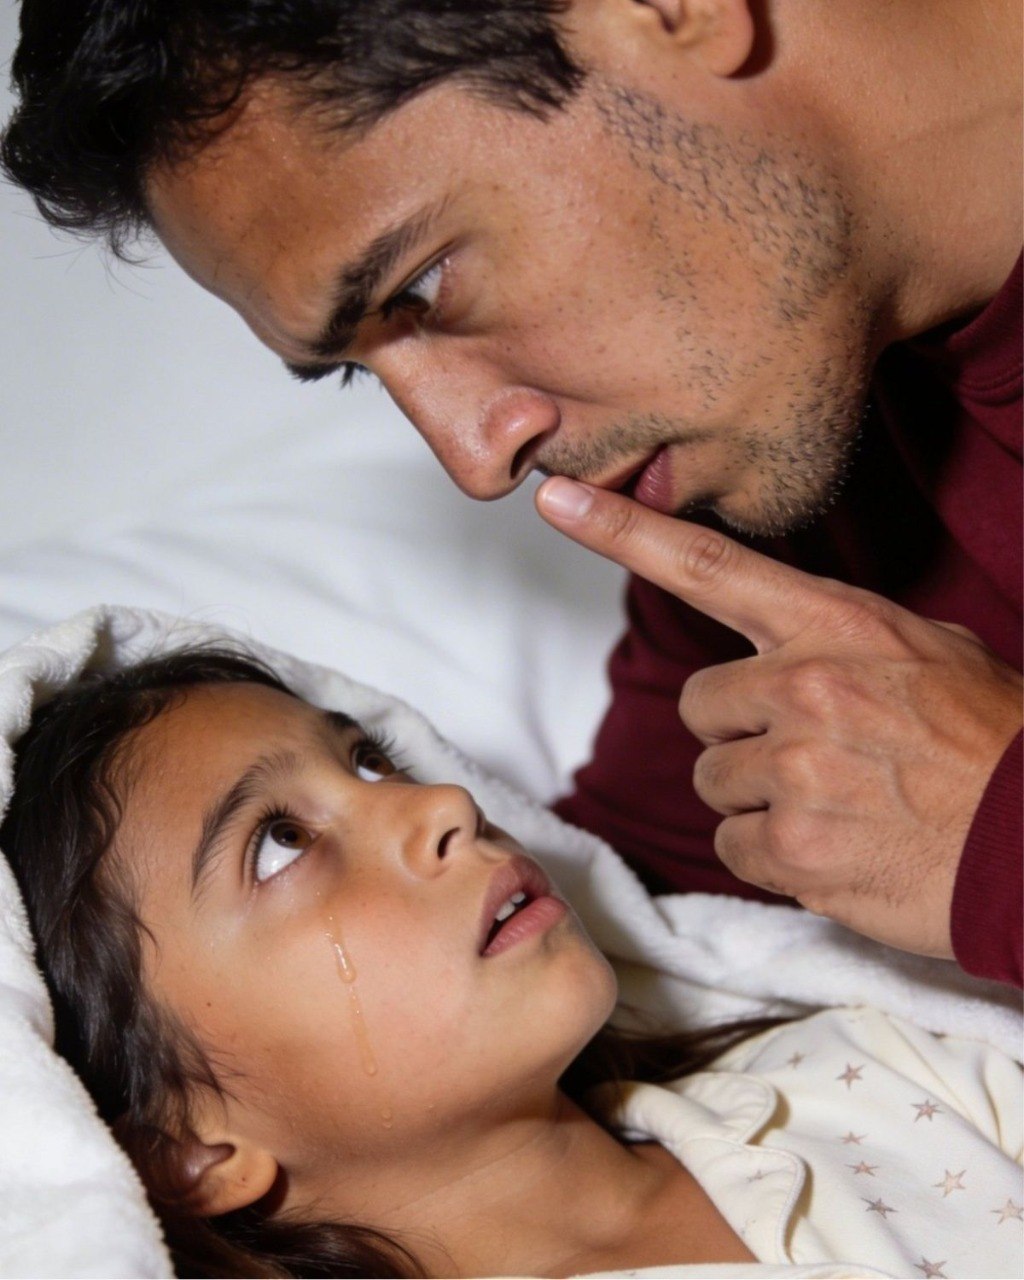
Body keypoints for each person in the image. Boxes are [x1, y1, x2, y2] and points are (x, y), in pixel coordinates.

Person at [1, 1, 1020, 984]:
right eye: (360, 372)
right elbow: (650, 928)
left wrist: (996, 834)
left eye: (423, 288)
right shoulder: (775, 435)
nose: (474, 459)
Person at [2, 645, 1020, 1279]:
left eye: (370, 761)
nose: (440, 803)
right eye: (278, 842)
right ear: (185, 1152)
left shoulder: (870, 1069)